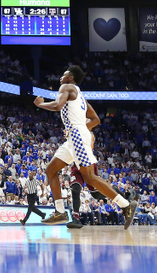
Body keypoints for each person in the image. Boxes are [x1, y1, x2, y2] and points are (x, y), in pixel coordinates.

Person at [33, 65, 137, 229]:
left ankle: (125, 204)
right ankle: (60, 211)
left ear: (71, 77)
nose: (61, 76)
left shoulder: (66, 87)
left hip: (76, 135)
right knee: (50, 170)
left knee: (90, 178)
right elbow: (95, 120)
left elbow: (58, 106)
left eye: (64, 74)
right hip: (74, 136)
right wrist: (82, 129)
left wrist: (41, 104)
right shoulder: (81, 97)